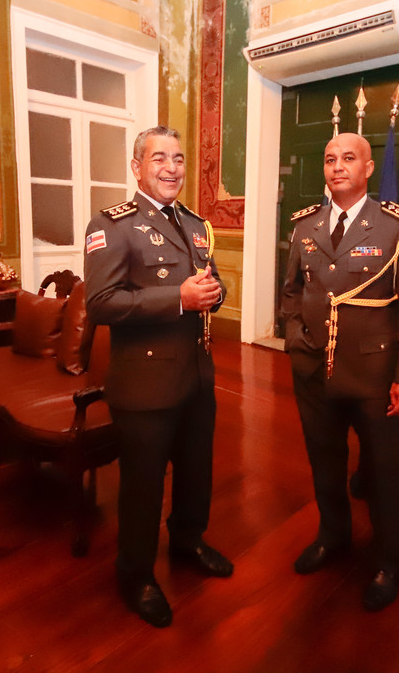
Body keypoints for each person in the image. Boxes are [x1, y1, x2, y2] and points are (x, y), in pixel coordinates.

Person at [84, 126, 232, 628]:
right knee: (143, 487)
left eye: (179, 159)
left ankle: (188, 540)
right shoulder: (112, 225)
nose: (172, 169)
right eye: (159, 159)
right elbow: (100, 304)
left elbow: (206, 281)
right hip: (145, 383)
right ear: (137, 167)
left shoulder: (195, 224)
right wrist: (179, 299)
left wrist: (215, 292)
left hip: (195, 376)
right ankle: (136, 575)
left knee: (196, 473)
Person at [279, 131, 399, 612]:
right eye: (329, 159)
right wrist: (295, 339)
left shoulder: (396, 227)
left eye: (348, 158)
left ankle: (393, 559)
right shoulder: (305, 225)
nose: (337, 166)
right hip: (313, 371)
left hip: (373, 374)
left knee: (384, 472)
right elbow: (290, 292)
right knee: (324, 461)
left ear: (368, 169)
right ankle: (334, 534)